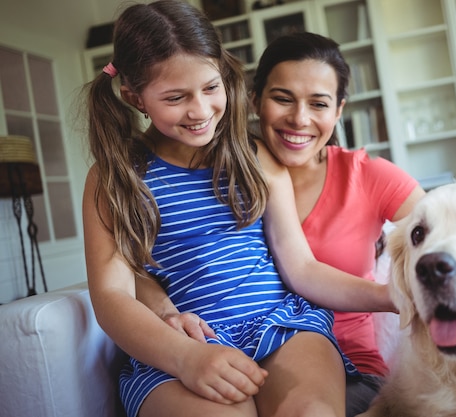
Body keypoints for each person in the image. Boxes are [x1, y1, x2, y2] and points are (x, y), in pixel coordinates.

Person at [81, 2, 395, 417]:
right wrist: (184, 358)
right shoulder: (113, 178)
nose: (200, 110)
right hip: (180, 346)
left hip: (283, 327)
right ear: (133, 97)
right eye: (175, 97)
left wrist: (391, 296)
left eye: (211, 88)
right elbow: (112, 298)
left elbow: (301, 268)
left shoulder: (255, 156)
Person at [138, 31, 425, 417]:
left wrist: (408, 295)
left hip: (345, 367)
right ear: (254, 101)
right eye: (282, 98)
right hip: (223, 351)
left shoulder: (370, 176)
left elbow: (448, 233)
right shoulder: (230, 170)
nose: (299, 119)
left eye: (318, 104)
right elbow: (149, 262)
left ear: (338, 111)